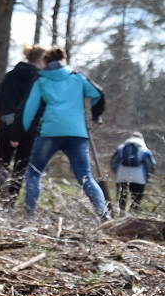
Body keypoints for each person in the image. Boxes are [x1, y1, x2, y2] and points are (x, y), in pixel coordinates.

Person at [21, 46, 109, 221]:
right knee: (85, 176)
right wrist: (96, 116)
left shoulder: (41, 81)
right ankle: (103, 213)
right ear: (63, 60)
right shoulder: (77, 78)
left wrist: (24, 131)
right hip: (77, 133)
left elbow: (29, 110)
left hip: (50, 132)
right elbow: (98, 94)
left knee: (34, 172)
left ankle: (29, 215)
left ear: (46, 62)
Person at [0, 44, 45, 207]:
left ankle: (2, 193)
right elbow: (43, 104)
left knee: (2, 163)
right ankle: (11, 202)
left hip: (7, 125)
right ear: (41, 60)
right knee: (21, 167)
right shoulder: (40, 79)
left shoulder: (11, 76)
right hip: (30, 128)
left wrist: (7, 111)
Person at [111, 132, 157, 212]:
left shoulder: (121, 148)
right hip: (139, 179)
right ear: (142, 139)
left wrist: (117, 173)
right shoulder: (145, 150)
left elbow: (113, 162)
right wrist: (147, 177)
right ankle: (132, 216)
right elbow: (151, 165)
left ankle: (120, 216)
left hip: (122, 177)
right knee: (136, 201)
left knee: (121, 199)